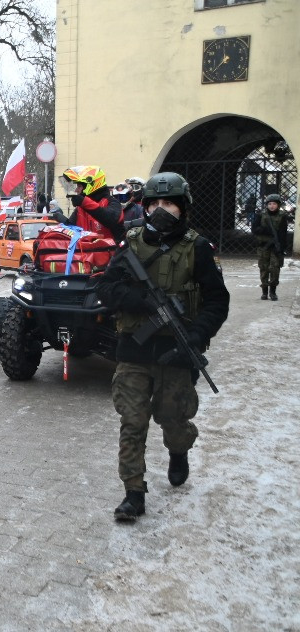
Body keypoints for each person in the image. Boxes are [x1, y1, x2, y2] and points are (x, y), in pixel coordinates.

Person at [97, 172, 230, 523]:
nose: (160, 210)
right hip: (133, 351)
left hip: (176, 353)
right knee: (133, 421)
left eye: (168, 203)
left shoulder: (198, 247)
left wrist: (198, 336)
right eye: (153, 203)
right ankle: (133, 493)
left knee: (173, 418)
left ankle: (178, 449)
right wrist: (138, 300)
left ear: (182, 208)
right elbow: (105, 290)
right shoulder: (131, 244)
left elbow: (217, 301)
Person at [50, 165, 126, 242]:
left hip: (111, 252)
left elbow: (110, 219)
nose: (76, 190)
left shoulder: (112, 202)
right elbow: (73, 229)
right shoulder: (80, 208)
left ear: (90, 185)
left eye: (79, 186)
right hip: (86, 252)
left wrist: (85, 202)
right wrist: (64, 221)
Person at [251, 193, 292, 301]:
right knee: (263, 269)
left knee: (275, 269)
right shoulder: (261, 215)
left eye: (274, 204)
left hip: (275, 247)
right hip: (263, 247)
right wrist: (266, 230)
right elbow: (254, 229)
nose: (272, 206)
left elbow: (283, 233)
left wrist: (281, 248)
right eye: (270, 204)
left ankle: (272, 292)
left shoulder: (282, 216)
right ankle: (264, 292)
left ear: (278, 205)